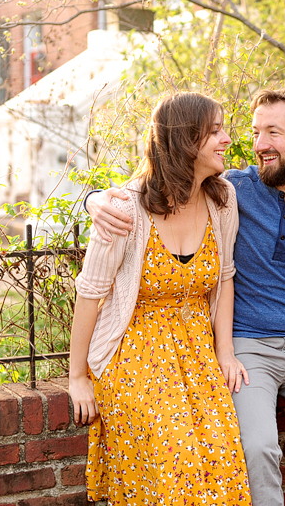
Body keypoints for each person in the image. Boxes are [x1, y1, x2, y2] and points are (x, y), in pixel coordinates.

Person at [86, 86, 285, 506]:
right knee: (256, 451)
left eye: (272, 133)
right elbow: (151, 185)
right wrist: (92, 200)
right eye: (256, 132)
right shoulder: (232, 190)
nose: (258, 145)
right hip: (247, 349)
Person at [70, 92, 251, 505]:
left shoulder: (223, 200)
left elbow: (224, 277)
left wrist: (225, 351)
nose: (226, 139)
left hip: (196, 351)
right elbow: (90, 292)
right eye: (216, 131)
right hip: (134, 351)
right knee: (178, 451)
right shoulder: (125, 209)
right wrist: (78, 376)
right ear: (186, 140)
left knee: (223, 452)